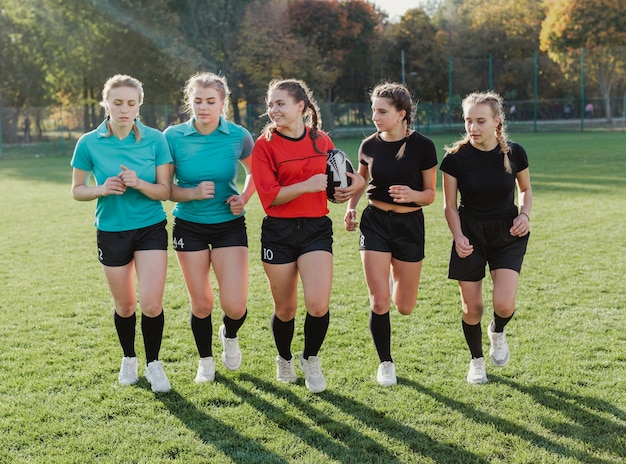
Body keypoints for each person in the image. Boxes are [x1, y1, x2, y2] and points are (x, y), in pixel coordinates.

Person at [251, 78, 364, 393]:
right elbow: (269, 197)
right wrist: (306, 185)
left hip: (315, 228)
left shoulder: (322, 141)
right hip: (279, 231)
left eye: (280, 103)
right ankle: (284, 358)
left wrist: (349, 189)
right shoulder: (265, 145)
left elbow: (335, 186)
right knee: (285, 308)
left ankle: (310, 359)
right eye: (270, 104)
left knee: (317, 304)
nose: (273, 110)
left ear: (301, 106)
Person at [70, 75, 172, 393]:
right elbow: (77, 190)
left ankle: (154, 364)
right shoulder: (88, 142)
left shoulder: (155, 139)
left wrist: (139, 183)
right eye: (117, 103)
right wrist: (103, 188)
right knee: (125, 305)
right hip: (111, 231)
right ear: (106, 104)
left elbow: (165, 190)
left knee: (151, 304)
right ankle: (129, 359)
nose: (124, 109)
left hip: (150, 227)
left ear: (139, 104)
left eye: (131, 103)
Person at [344, 82, 437, 386]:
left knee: (405, 306)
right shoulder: (369, 145)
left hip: (410, 226)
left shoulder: (424, 146)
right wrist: (351, 207)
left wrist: (412, 193)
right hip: (376, 223)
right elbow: (360, 180)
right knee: (379, 301)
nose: (375, 116)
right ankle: (386, 363)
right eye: (373, 110)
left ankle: (394, 279)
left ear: (401, 114)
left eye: (382, 111)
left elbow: (430, 195)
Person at [164, 72, 255, 383]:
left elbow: (255, 174)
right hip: (189, 225)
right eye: (197, 101)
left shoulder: (238, 136)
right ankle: (205, 360)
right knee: (201, 302)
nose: (203, 107)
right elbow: (164, 188)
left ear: (223, 103)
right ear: (190, 102)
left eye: (210, 101)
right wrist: (190, 193)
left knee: (235, 304)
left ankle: (229, 334)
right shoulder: (173, 137)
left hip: (229, 225)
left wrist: (243, 198)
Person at [440, 91, 532, 384]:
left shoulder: (514, 153)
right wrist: (458, 236)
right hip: (470, 233)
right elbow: (449, 205)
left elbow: (526, 190)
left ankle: (498, 330)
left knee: (504, 305)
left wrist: (525, 215)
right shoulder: (455, 158)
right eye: (468, 121)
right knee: (472, 308)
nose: (473, 128)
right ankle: (476, 360)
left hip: (508, 231)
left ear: (496, 121)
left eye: (480, 121)